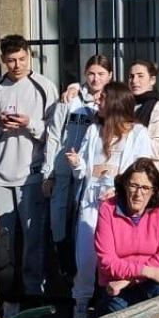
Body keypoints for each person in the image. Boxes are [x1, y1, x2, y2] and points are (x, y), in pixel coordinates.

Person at [0, 34, 59, 315]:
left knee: (33, 240)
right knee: (3, 240)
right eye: (11, 60)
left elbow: (55, 132)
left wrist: (30, 124)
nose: (17, 65)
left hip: (31, 176)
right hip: (0, 175)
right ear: (3, 60)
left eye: (22, 59)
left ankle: (34, 294)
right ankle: (7, 296)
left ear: (29, 57)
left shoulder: (44, 86)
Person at [66, 82, 153, 318]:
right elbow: (82, 171)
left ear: (114, 102)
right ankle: (81, 302)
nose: (97, 102)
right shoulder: (94, 130)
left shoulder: (138, 133)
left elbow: (143, 169)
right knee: (85, 254)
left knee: (115, 255)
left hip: (119, 203)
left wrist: (119, 189)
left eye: (102, 98)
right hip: (92, 199)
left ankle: (114, 304)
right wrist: (76, 162)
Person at [45, 54, 112, 279]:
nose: (95, 79)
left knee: (86, 227)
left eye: (101, 74)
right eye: (91, 73)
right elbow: (54, 136)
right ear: (85, 74)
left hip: (92, 177)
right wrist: (48, 173)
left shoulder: (111, 102)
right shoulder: (70, 99)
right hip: (64, 172)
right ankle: (67, 277)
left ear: (110, 76)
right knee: (59, 226)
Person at [92, 158, 159, 315]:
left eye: (145, 188)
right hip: (117, 280)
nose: (138, 194)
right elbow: (107, 261)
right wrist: (146, 272)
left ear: (154, 190)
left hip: (151, 278)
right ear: (125, 185)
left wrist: (129, 280)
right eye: (133, 185)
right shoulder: (107, 209)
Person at [127, 60, 159, 171]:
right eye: (131, 76)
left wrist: (127, 141)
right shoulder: (125, 105)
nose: (134, 81)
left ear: (152, 80)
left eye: (140, 76)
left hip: (147, 173)